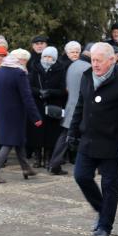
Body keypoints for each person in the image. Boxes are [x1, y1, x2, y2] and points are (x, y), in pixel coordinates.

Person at [68, 42, 118, 236]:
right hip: (88, 139)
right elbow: (80, 106)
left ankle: (105, 225)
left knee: (109, 185)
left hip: (111, 143)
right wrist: (73, 132)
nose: (95, 64)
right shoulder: (86, 76)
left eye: (99, 60)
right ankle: (102, 210)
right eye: (93, 60)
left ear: (111, 60)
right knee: (81, 176)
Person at [0, 49, 42, 183]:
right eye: (25, 61)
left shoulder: (0, 71)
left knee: (19, 140)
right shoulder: (19, 73)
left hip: (3, 112)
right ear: (20, 60)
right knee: (9, 142)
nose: (25, 64)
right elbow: (27, 97)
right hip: (16, 113)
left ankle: (26, 168)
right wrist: (36, 117)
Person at [47, 44, 90, 174]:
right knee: (85, 136)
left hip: (71, 105)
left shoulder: (73, 65)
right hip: (82, 108)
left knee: (65, 136)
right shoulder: (88, 68)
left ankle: (54, 164)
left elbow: (67, 88)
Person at [27, 46, 67, 170]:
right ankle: (38, 157)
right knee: (37, 132)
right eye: (45, 56)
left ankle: (49, 158)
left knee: (51, 134)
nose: (47, 59)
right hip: (38, 104)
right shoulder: (35, 68)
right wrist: (39, 92)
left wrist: (50, 92)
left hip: (53, 105)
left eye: (50, 57)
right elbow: (29, 87)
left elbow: (62, 90)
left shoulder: (60, 70)